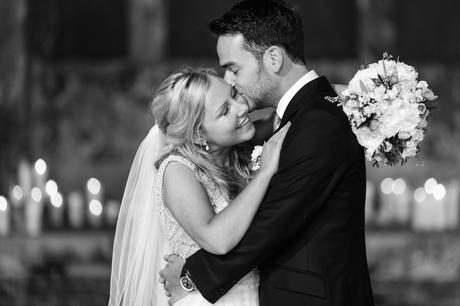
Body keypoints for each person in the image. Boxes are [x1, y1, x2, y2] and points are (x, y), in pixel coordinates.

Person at [160, 1, 375, 306]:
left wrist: (191, 277)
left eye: (234, 68)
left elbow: (269, 225)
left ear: (273, 58)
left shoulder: (317, 124)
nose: (230, 81)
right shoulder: (298, 116)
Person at [108, 67, 290, 306]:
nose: (242, 108)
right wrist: (266, 173)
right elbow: (217, 239)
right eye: (225, 111)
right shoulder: (177, 169)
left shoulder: (242, 151)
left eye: (234, 95)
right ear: (197, 135)